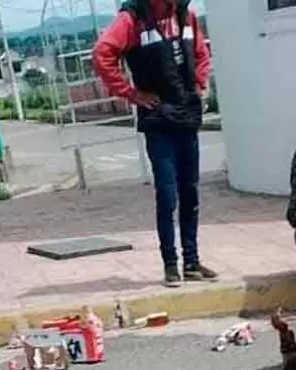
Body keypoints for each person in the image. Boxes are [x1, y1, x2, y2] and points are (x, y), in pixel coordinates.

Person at [93, 0, 217, 287]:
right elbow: (102, 55)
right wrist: (130, 93)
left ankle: (192, 261)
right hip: (158, 120)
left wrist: (199, 84)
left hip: (186, 115)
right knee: (167, 194)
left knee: (190, 192)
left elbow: (201, 53)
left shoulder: (186, 16)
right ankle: (170, 264)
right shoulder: (133, 19)